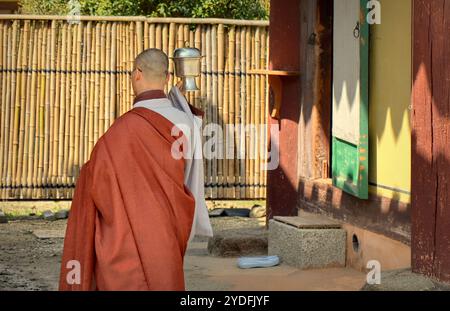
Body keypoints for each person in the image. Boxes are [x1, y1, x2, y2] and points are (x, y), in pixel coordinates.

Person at [59, 48, 212, 291]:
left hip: (124, 240)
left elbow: (96, 185)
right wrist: (183, 233)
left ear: (137, 74)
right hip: (167, 236)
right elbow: (192, 187)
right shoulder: (187, 124)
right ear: (168, 78)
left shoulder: (120, 131)